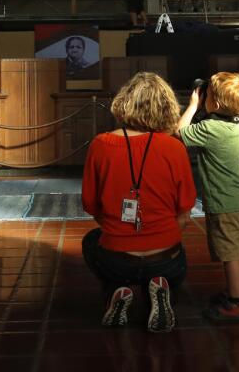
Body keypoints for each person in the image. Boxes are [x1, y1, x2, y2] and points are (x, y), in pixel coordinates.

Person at [81, 72, 196, 332]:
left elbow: (90, 205)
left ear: (123, 103)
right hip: (165, 256)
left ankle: (117, 289)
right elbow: (184, 215)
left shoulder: (100, 145)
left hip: (117, 257)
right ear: (167, 106)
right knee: (174, 257)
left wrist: (122, 229)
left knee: (91, 241)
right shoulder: (174, 147)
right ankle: (161, 286)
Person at [176, 72, 239, 322]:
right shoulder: (238, 119)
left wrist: (193, 106)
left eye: (207, 94)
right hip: (237, 196)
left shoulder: (212, 128)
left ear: (216, 105)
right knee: (234, 250)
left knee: (229, 253)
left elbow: (179, 132)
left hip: (224, 201)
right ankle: (233, 292)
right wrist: (208, 99)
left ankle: (236, 302)